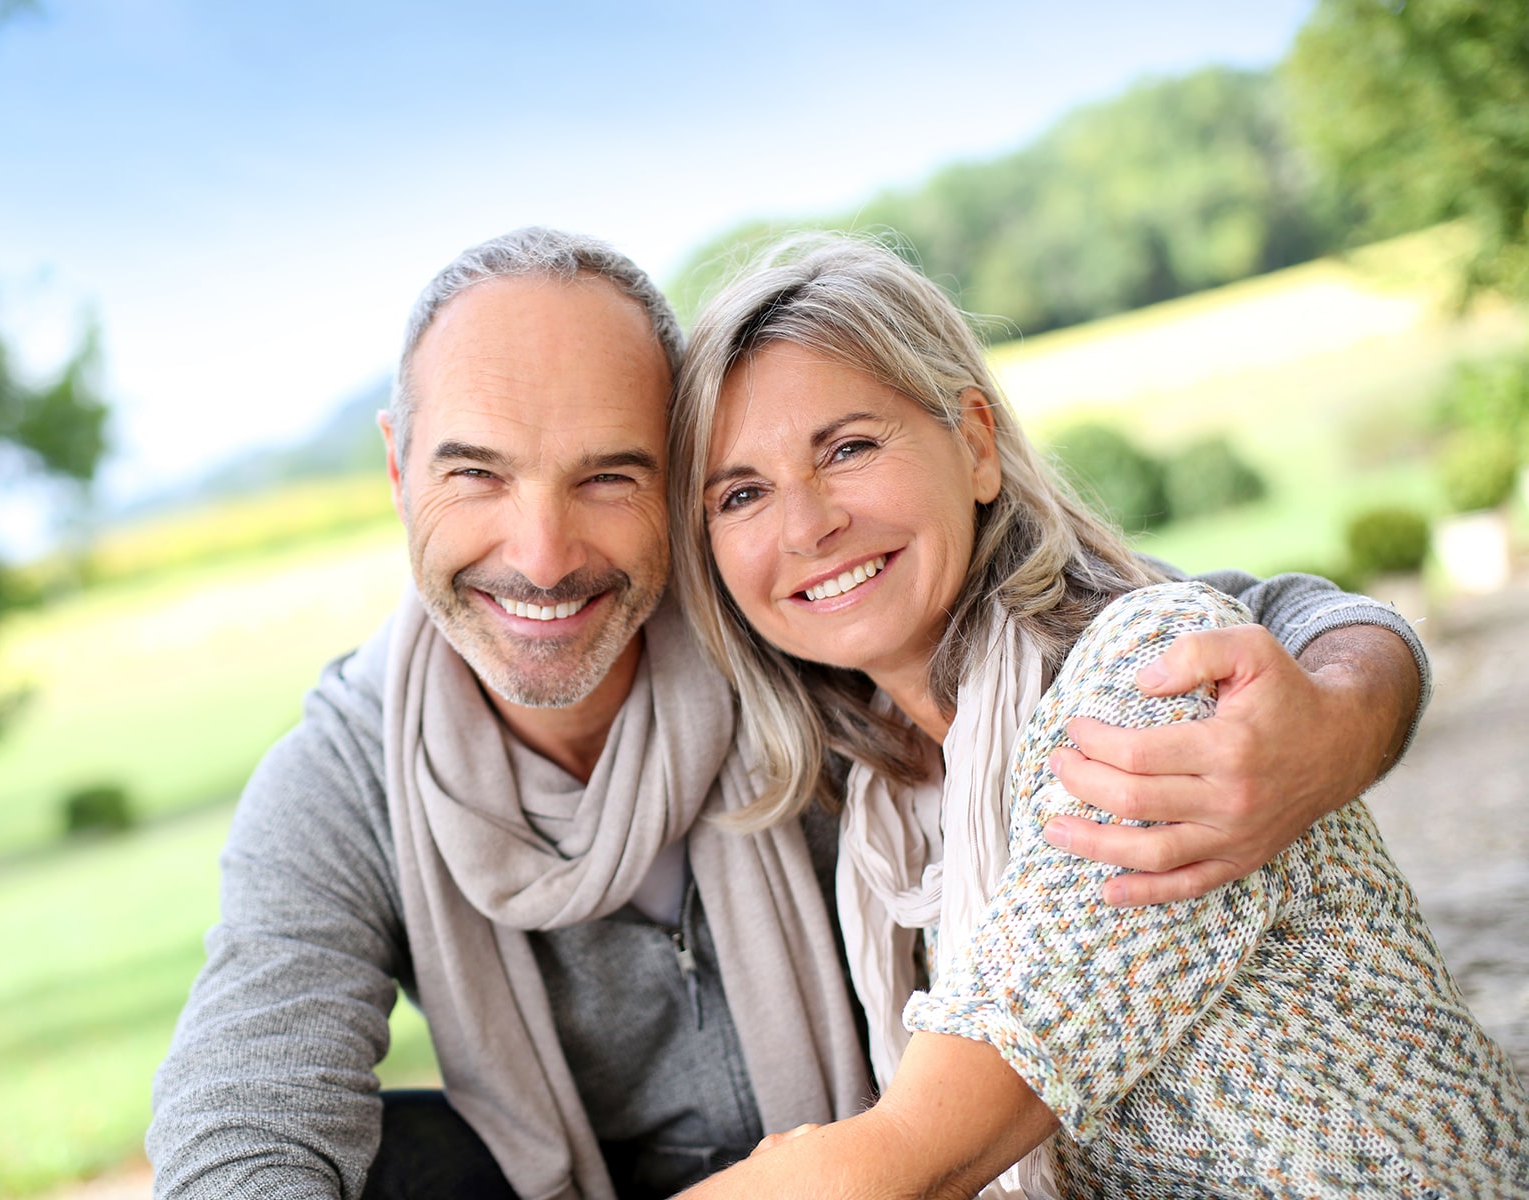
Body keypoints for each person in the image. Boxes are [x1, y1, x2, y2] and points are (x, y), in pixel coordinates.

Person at [147, 227, 1433, 1200]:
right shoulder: (351, 774)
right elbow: (242, 1114)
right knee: (400, 1158)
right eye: (476, 473)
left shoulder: (791, 644)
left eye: (609, 477)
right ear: (395, 468)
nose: (541, 555)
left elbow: (1239, 621)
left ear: (673, 488)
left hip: (869, 1166)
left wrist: (1337, 716)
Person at [666, 233, 1529, 1198]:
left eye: (850, 448)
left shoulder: (1144, 686)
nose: (806, 524)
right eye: (741, 494)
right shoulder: (887, 802)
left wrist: (1356, 694)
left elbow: (907, 1159)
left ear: (977, 445)